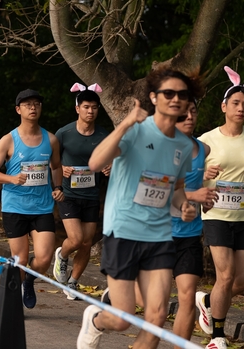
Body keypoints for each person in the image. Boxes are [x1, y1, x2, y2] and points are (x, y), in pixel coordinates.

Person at [76, 67, 199, 349]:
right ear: (154, 97)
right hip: (123, 231)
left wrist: (184, 206)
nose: (176, 99)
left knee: (157, 317)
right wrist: (126, 123)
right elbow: (95, 163)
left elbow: (176, 188)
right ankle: (96, 320)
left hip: (159, 236)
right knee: (122, 319)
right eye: (169, 93)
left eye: (182, 94)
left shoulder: (183, 145)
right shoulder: (136, 130)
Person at [195, 66, 244, 349]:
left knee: (240, 282)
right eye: (236, 103)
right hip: (216, 213)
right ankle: (217, 335)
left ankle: (207, 301)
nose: (241, 108)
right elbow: (188, 175)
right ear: (224, 106)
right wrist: (203, 173)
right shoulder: (206, 140)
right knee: (225, 276)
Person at [0, 89, 64, 309]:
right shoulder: (8, 140)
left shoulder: (51, 139)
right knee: (19, 260)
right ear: (18, 110)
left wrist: (58, 186)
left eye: (36, 103)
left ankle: (29, 280)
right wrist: (11, 178)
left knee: (45, 258)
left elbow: (56, 166)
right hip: (15, 206)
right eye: (27, 104)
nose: (33, 107)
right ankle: (14, 302)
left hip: (42, 207)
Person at [53, 83, 110, 300]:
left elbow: (112, 159)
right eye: (86, 107)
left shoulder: (103, 135)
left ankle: (73, 282)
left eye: (94, 107)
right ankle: (62, 254)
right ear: (77, 108)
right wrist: (62, 170)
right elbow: (52, 162)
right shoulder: (64, 133)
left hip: (91, 195)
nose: (90, 111)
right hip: (68, 194)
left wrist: (109, 167)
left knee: (86, 243)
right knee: (76, 239)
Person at [170, 101, 217, 348]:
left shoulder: (203, 149)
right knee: (153, 303)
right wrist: (193, 195)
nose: (189, 116)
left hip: (189, 235)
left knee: (187, 298)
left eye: (194, 111)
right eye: (183, 112)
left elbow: (199, 188)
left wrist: (205, 200)